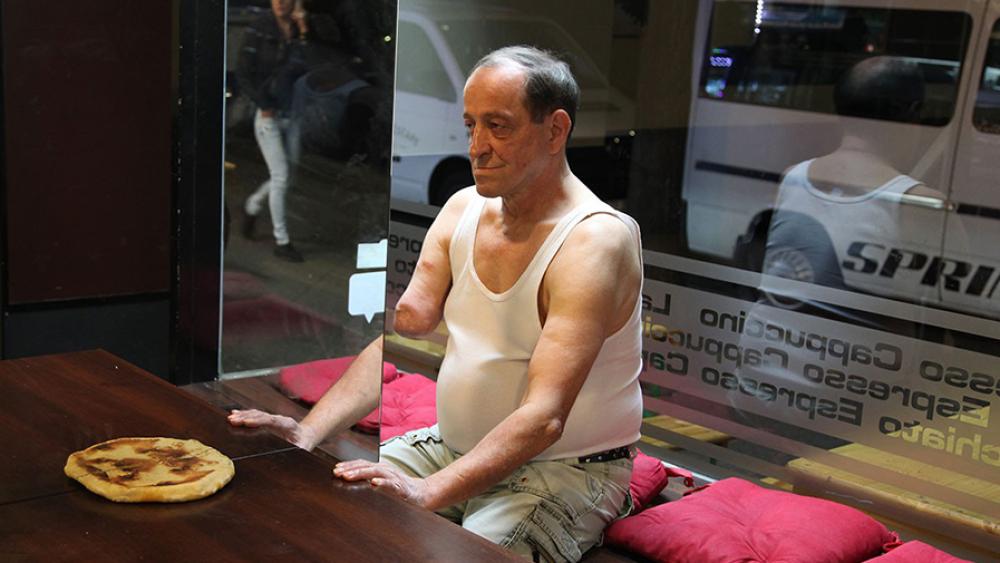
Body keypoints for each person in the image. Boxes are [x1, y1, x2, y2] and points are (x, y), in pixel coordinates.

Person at [229, 45, 643, 562]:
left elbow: (545, 418)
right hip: (452, 447)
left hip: (565, 468)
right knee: (316, 520)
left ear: (555, 130)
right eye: (471, 125)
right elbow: (397, 340)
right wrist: (306, 432)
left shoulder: (594, 241)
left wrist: (425, 492)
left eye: (498, 126)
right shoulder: (462, 208)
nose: (477, 147)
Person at [236, 0, 311, 262]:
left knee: (288, 177)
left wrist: (303, 29)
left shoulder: (298, 30)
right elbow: (243, 72)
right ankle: (282, 241)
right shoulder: (260, 28)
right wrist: (263, 103)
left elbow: (305, 67)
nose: (280, 2)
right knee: (280, 176)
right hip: (268, 115)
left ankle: (252, 205)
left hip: (292, 115)